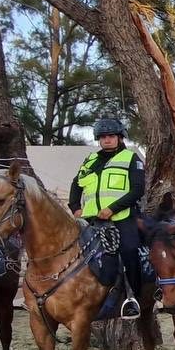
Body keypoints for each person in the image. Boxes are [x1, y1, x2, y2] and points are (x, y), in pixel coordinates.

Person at [68, 118, 144, 319]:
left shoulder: (131, 158)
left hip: (121, 217)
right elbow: (76, 185)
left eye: (111, 136)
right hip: (91, 220)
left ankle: (133, 298)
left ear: (120, 138)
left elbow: (138, 189)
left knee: (129, 251)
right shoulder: (90, 160)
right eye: (103, 137)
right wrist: (75, 208)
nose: (107, 140)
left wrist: (112, 208)